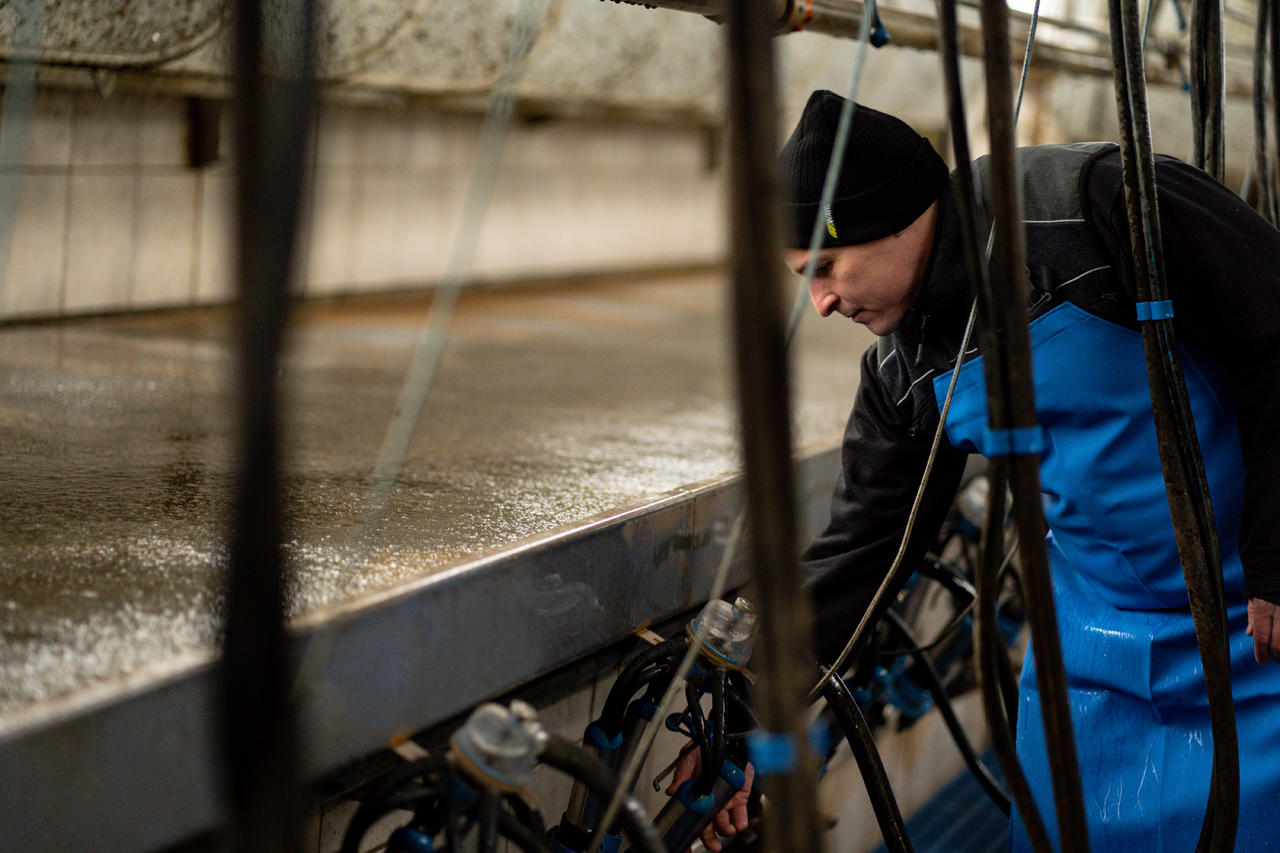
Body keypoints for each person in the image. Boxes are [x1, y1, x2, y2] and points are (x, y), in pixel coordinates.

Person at [785, 89, 1280, 850]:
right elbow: (866, 546)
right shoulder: (903, 375)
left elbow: (1275, 332)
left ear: (890, 219)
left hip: (1256, 625)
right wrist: (757, 700)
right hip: (1089, 650)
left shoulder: (1100, 207)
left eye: (827, 266)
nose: (818, 301)